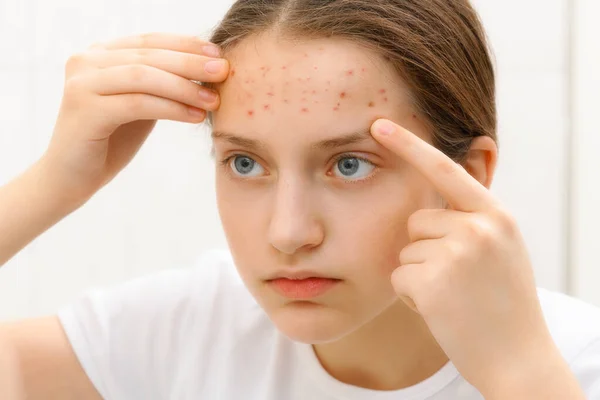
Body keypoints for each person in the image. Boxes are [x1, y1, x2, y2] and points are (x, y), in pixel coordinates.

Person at [0, 0, 599, 398]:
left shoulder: (574, 363)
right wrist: (51, 184)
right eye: (245, 162)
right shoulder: (192, 329)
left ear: (465, 174)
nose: (288, 233)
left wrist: (523, 378)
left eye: (349, 165)